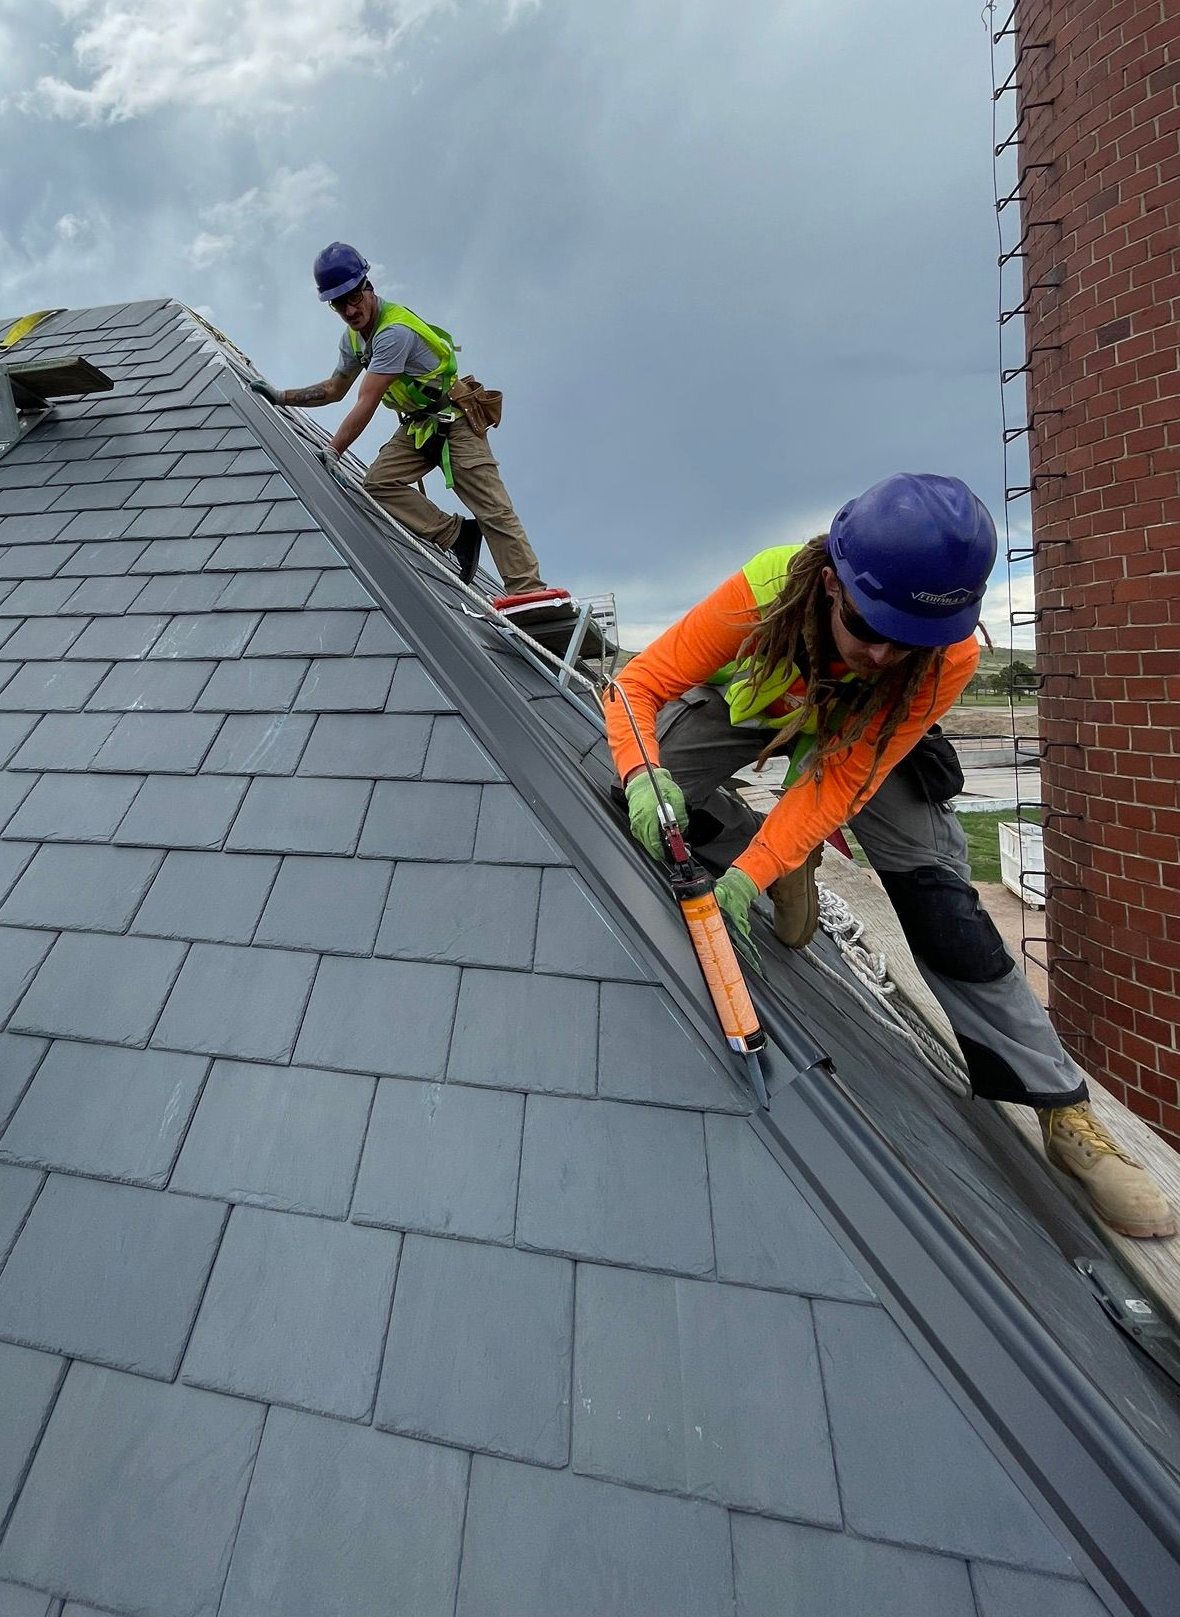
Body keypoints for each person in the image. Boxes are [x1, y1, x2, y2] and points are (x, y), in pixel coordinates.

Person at [606, 472, 1174, 1240]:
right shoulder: (770, 586)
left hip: (862, 741)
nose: (880, 653)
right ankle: (765, 843)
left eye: (906, 642)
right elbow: (636, 685)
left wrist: (747, 879)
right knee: (638, 780)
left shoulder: (942, 662)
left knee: (941, 905)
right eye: (867, 628)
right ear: (830, 584)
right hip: (770, 703)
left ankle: (1061, 1107)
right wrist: (648, 778)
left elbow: (838, 783)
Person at [252, 242, 546, 596]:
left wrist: (334, 450)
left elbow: (368, 398)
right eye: (339, 303)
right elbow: (334, 388)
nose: (349, 308)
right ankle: (457, 535)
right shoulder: (354, 340)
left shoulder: (394, 332)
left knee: (492, 507)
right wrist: (281, 397)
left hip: (455, 419)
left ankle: (527, 592)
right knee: (378, 483)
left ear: (368, 288)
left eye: (354, 296)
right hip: (419, 426)